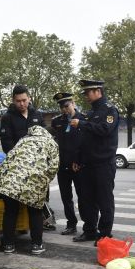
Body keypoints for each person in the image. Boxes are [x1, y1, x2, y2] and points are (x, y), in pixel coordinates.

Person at [0, 125, 59, 255]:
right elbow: (53, 167)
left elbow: (10, 157)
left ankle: (8, 246)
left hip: (8, 180)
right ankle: (36, 246)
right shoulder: (51, 142)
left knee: (10, 212)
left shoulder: (23, 139)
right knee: (35, 212)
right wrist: (44, 181)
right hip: (34, 181)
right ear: (52, 135)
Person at [0, 84, 56, 230]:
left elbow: (45, 138)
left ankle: (40, 227)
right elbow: (7, 146)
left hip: (38, 168)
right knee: (15, 205)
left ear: (29, 98)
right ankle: (16, 232)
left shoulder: (36, 114)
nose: (22, 104)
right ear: (13, 100)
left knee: (37, 204)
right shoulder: (7, 118)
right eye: (18, 101)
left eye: (24, 100)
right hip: (18, 169)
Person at [70, 79, 119, 244]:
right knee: (87, 200)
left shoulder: (110, 111)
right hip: (87, 164)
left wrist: (83, 124)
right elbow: (83, 140)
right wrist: (77, 158)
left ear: (98, 91)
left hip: (104, 164)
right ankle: (89, 230)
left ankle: (105, 235)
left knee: (105, 200)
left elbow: (105, 130)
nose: (86, 96)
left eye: (88, 93)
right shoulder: (90, 114)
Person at [50, 92, 85, 235]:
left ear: (73, 103)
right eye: (61, 107)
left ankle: (88, 225)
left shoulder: (83, 119)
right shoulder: (57, 121)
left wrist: (80, 161)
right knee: (66, 197)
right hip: (63, 165)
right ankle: (71, 224)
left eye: (66, 105)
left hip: (78, 165)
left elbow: (85, 144)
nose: (64, 109)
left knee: (83, 196)